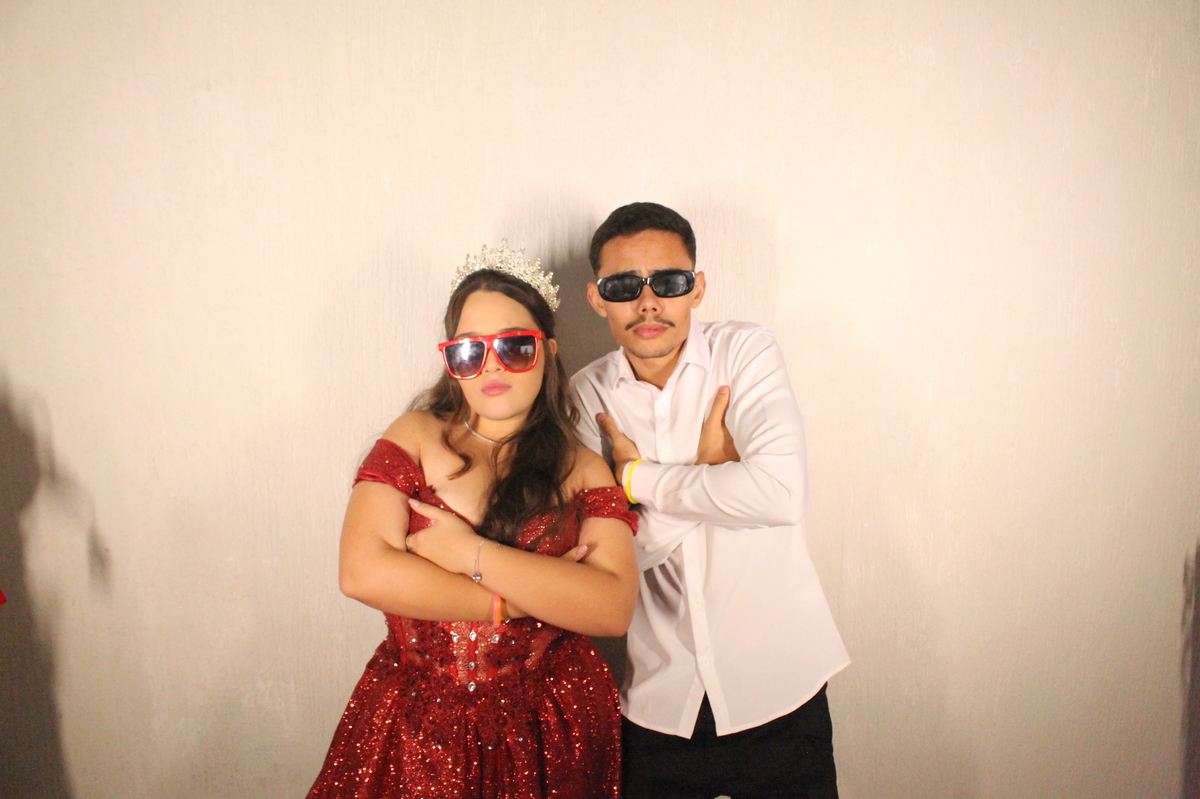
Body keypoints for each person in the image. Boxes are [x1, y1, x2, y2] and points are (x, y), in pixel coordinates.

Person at [307, 242, 639, 799]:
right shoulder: (416, 435)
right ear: (450, 361)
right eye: (469, 351)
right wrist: (524, 600)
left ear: (548, 350)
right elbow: (361, 572)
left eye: (514, 346)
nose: (492, 366)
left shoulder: (582, 467)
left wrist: (469, 555)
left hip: (549, 724)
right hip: (416, 723)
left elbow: (611, 607)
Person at [571, 203, 850, 799]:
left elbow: (780, 495)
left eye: (668, 282)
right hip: (656, 708)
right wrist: (710, 479)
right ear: (597, 298)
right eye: (623, 286)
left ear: (697, 288)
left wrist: (638, 481)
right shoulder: (584, 398)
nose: (648, 303)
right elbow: (602, 570)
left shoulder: (745, 353)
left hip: (782, 691)